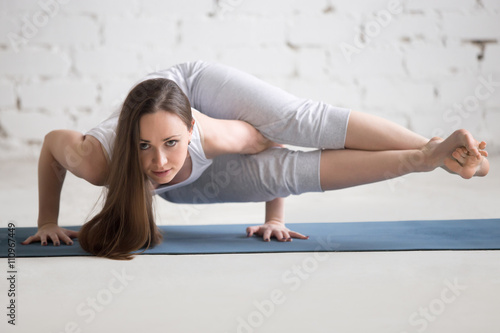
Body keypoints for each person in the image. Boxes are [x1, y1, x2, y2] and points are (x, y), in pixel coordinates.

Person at [21, 61, 490, 260]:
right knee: (268, 164)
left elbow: (270, 141)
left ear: (189, 132)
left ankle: (434, 153)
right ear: (129, 144)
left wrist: (275, 213)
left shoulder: (214, 133)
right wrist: (47, 220)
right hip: (182, 155)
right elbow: (49, 145)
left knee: (294, 120)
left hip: (195, 89)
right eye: (144, 148)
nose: (159, 161)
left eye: (170, 144)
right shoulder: (97, 160)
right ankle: (424, 158)